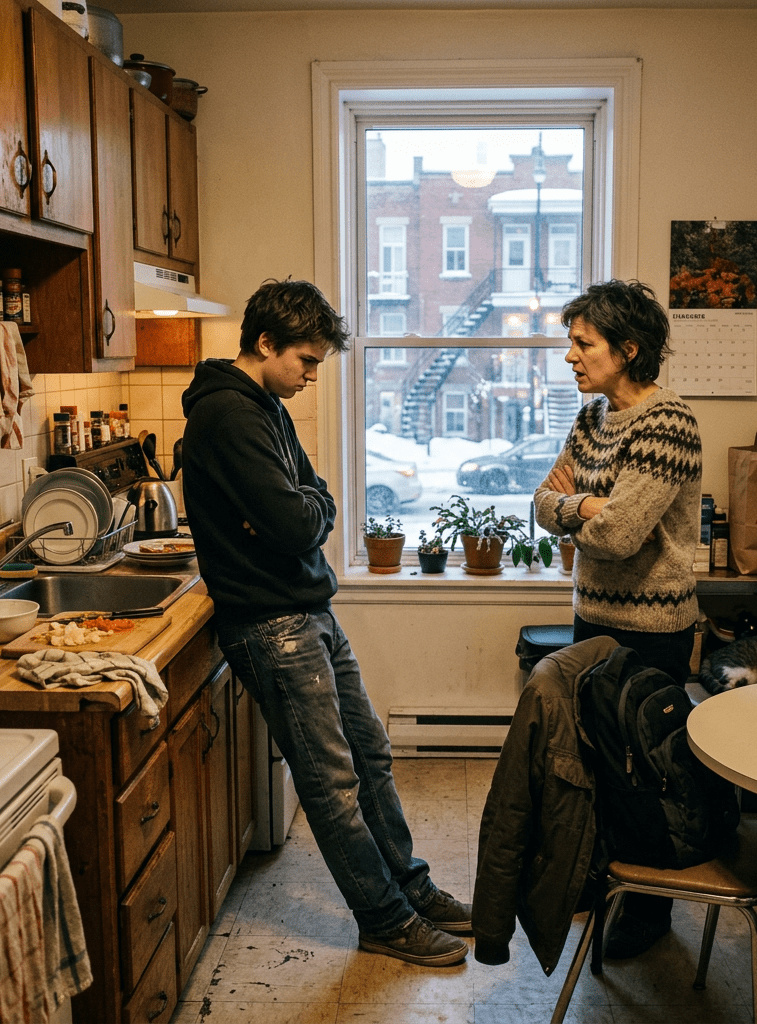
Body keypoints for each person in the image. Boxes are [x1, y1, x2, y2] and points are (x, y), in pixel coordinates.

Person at [180, 278, 471, 968]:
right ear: (265, 343)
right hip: (271, 624)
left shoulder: (266, 407)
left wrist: (303, 512)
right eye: (306, 360)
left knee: (370, 755)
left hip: (308, 610)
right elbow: (294, 522)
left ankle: (411, 887)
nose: (312, 374)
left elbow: (317, 500)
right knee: (332, 784)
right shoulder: (227, 415)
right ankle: (384, 920)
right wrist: (300, 514)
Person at [533, 278, 703, 959]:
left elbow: (624, 535)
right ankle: (602, 877)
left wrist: (580, 509)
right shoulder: (592, 419)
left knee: (646, 776)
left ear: (628, 349)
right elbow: (541, 503)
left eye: (584, 344)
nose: (570, 356)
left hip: (653, 630)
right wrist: (583, 507)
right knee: (593, 764)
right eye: (570, 343)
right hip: (593, 618)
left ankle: (650, 909)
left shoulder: (668, 423)